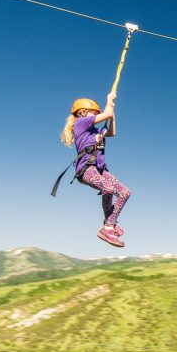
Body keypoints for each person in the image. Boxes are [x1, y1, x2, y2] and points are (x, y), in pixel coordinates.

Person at [60, 94, 131, 247]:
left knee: (125, 192)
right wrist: (109, 101)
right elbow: (106, 113)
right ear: (83, 112)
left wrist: (111, 113)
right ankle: (108, 228)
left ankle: (109, 224)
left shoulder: (95, 130)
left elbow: (111, 132)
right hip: (86, 169)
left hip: (99, 169)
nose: (97, 115)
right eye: (95, 112)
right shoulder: (80, 123)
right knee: (108, 188)